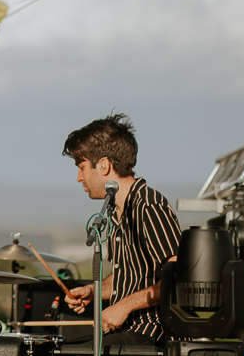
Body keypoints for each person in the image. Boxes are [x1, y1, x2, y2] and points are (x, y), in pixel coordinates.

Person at [61, 114, 180, 345]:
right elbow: (126, 278)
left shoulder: (148, 204)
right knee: (62, 346)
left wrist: (124, 307)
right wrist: (93, 291)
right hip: (130, 332)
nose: (78, 178)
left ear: (104, 165)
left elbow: (178, 279)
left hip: (154, 334)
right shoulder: (116, 211)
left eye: (81, 167)